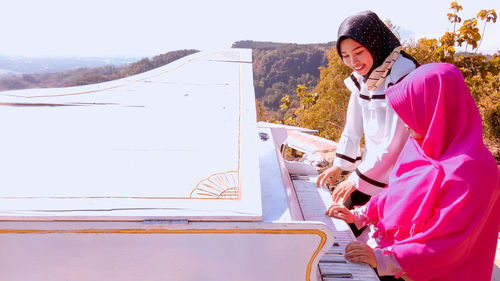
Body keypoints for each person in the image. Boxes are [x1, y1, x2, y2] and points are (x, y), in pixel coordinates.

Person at [326, 63, 500, 281]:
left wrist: (383, 259)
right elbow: (395, 193)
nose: (403, 122)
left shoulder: (475, 171)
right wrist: (359, 215)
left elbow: (449, 243)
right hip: (393, 259)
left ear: (437, 110)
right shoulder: (420, 145)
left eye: (412, 110)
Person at [316, 10, 419, 235]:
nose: (353, 62)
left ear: (374, 43)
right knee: (341, 221)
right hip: (373, 169)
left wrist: (355, 178)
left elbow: (395, 145)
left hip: (399, 174)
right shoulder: (367, 75)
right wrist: (340, 165)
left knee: (364, 230)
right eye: (345, 56)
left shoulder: (402, 76)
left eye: (359, 52)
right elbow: (352, 127)